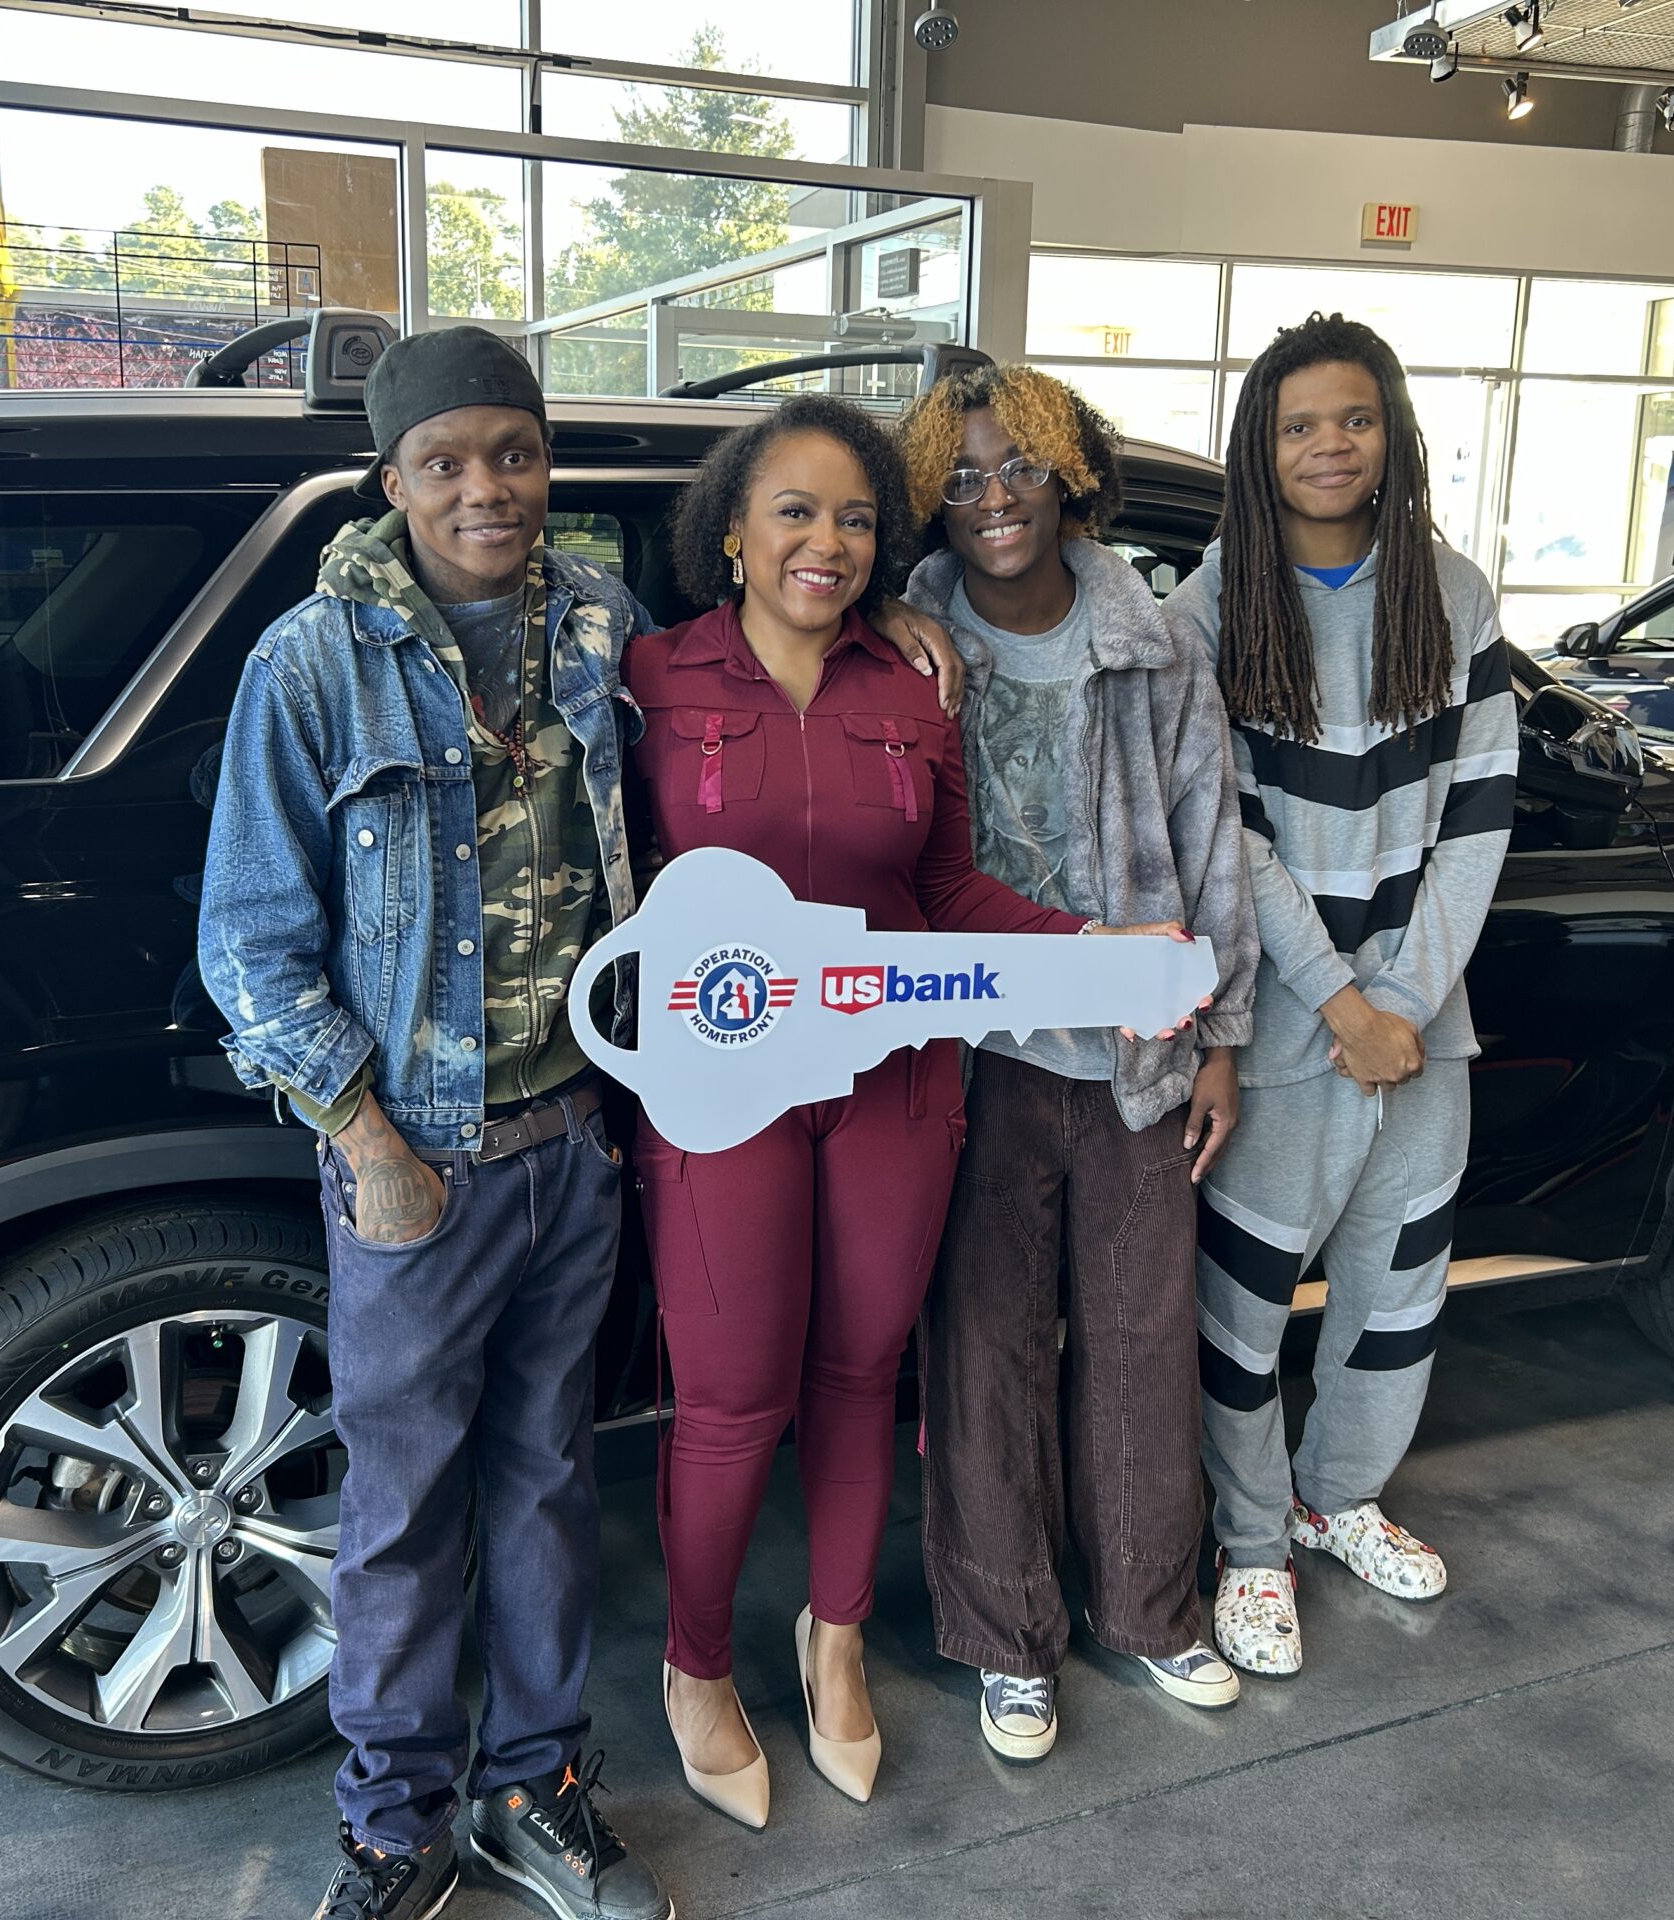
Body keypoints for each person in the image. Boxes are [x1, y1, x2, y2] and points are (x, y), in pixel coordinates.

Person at [200, 329, 969, 1920]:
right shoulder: (312, 666)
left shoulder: (600, 626)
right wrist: (368, 1146)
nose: (487, 489)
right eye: (447, 462)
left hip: (586, 1136)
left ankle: (533, 1788)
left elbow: (767, 649)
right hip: (414, 1150)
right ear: (393, 477)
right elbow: (249, 941)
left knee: (548, 1476)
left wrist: (884, 607)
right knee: (406, 1501)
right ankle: (391, 1817)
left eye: (515, 455)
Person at [620, 393, 1190, 1829]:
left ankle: (836, 1643)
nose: (828, 541)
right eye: (796, 512)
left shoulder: (915, 687)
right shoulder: (648, 677)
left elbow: (945, 897)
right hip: (720, 1091)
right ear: (733, 536)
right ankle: (696, 1669)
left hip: (896, 1085)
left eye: (859, 517)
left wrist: (1086, 947)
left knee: (863, 1377)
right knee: (734, 1400)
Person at [893, 363, 1260, 1764]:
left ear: (1071, 476)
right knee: (983, 1345)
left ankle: (1156, 1610)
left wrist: (1219, 1036)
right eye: (966, 477)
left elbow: (1212, 840)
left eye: (1021, 469)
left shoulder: (1153, 638)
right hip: (970, 1047)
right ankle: (1006, 1638)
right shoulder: (904, 630)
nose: (995, 500)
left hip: (1135, 1048)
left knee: (1141, 1329)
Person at [1161, 313, 1515, 1679]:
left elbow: (1480, 812)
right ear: (1260, 444)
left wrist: (1407, 1003)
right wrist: (1338, 1001)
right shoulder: (1207, 611)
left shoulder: (1455, 593)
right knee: (1243, 1304)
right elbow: (1226, 836)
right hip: (1287, 1031)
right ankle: (1252, 1545)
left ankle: (1338, 1498)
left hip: (1427, 1031)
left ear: (1392, 435)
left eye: (1353, 420)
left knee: (1400, 1286)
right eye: (1300, 424)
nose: (1329, 445)